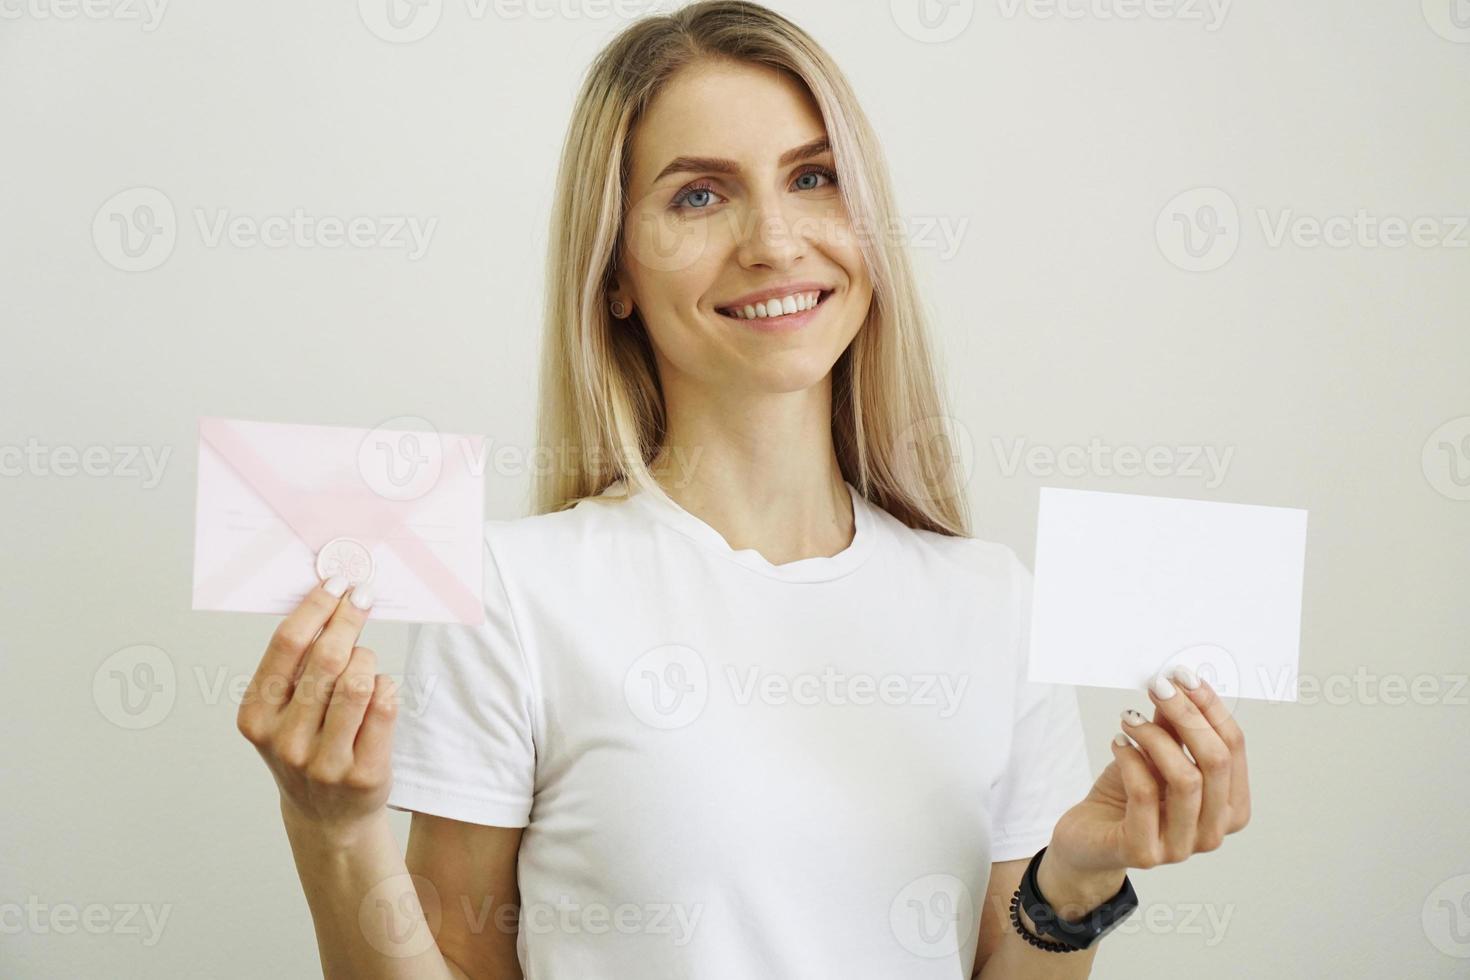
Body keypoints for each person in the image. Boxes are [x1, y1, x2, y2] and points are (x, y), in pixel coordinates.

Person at [235, 2, 1252, 977]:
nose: (774, 239)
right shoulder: (515, 590)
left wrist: (1073, 882)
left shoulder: (995, 600)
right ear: (615, 270)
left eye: (813, 177)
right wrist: (335, 832)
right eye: (699, 193)